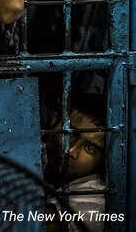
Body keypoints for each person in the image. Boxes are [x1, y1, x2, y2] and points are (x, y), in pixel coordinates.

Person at [45, 95, 107, 232]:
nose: (71, 151)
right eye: (71, 133)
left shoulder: (94, 200)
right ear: (55, 122)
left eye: (90, 148)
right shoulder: (37, 154)